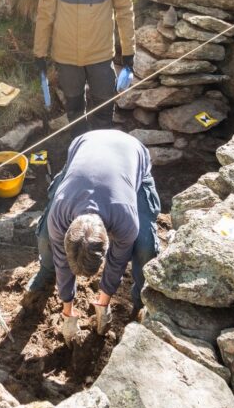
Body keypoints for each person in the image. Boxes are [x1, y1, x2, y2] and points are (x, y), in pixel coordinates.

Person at [21, 130, 161, 341]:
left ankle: (141, 298)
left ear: (107, 241)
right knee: (45, 236)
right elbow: (63, 260)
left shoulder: (125, 219)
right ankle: (46, 271)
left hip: (131, 154)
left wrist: (103, 303)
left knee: (145, 247)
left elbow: (117, 261)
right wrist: (68, 311)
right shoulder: (60, 214)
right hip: (86, 146)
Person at [33, 0, 136, 137]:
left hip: (100, 57)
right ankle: (79, 147)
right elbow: (44, 16)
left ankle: (101, 149)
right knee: (74, 109)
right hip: (66, 57)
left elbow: (125, 14)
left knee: (104, 108)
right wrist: (39, 54)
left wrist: (129, 57)